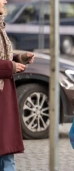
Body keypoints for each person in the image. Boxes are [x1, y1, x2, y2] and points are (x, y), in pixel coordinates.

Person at [0, 0, 35, 170]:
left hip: (4, 93)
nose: (5, 1)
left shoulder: (1, 26)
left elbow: (4, 55)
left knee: (6, 151)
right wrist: (11, 67)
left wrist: (20, 58)